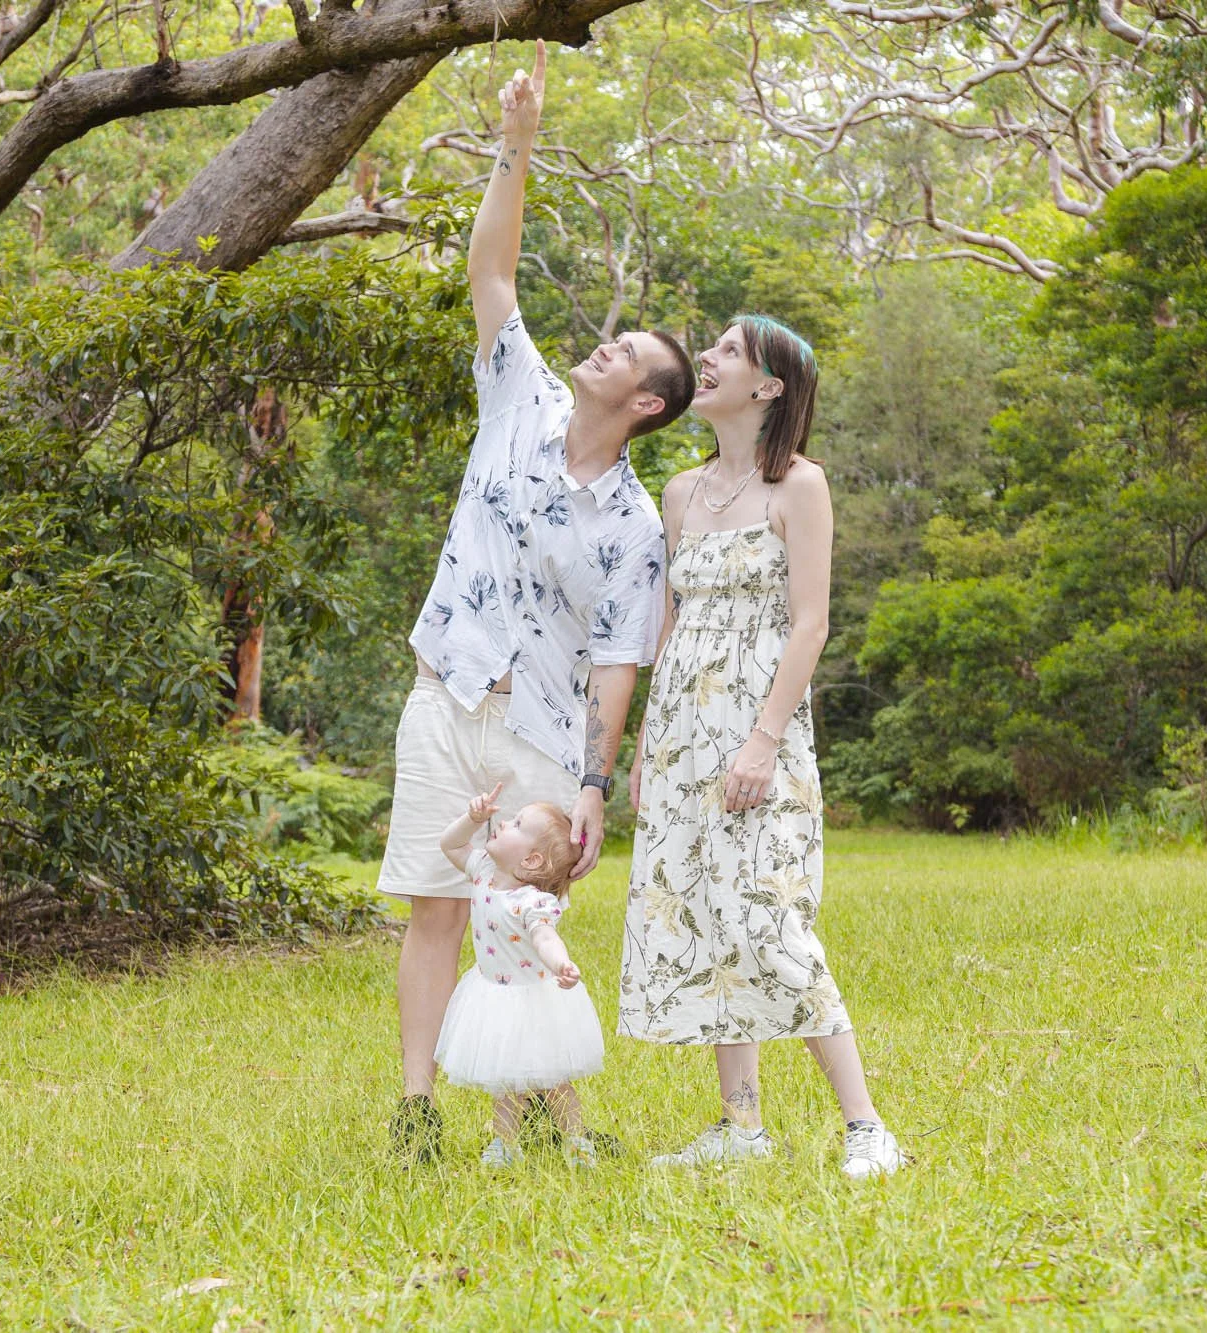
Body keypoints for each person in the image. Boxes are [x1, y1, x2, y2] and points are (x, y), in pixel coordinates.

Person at [381, 40, 697, 1163]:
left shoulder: (632, 524)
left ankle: (556, 1124)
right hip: (449, 687)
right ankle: (417, 1110)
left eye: (622, 354)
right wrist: (514, 147)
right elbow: (494, 276)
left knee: (536, 925)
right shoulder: (518, 392)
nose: (599, 348)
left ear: (650, 404)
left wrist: (599, 782)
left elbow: (621, 655)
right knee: (433, 902)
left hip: (545, 729)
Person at [618, 316, 904, 1180]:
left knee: (772, 918)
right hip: (680, 736)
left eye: (729, 352)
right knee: (710, 919)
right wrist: (643, 747)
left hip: (758, 730)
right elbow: (668, 622)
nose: (707, 359)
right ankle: (739, 1125)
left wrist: (762, 742)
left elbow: (810, 624)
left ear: (769, 386)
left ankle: (867, 1129)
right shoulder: (679, 490)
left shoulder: (800, 487)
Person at [433, 783, 604, 1167]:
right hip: (494, 997)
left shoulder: (532, 902)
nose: (503, 823)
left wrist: (562, 963)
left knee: (554, 1081)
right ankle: (505, 1144)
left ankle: (576, 1139)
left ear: (530, 861)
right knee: (505, 1082)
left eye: (516, 824)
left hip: (533, 1001)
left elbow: (545, 937)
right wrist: (471, 818)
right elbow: (450, 845)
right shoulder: (483, 871)